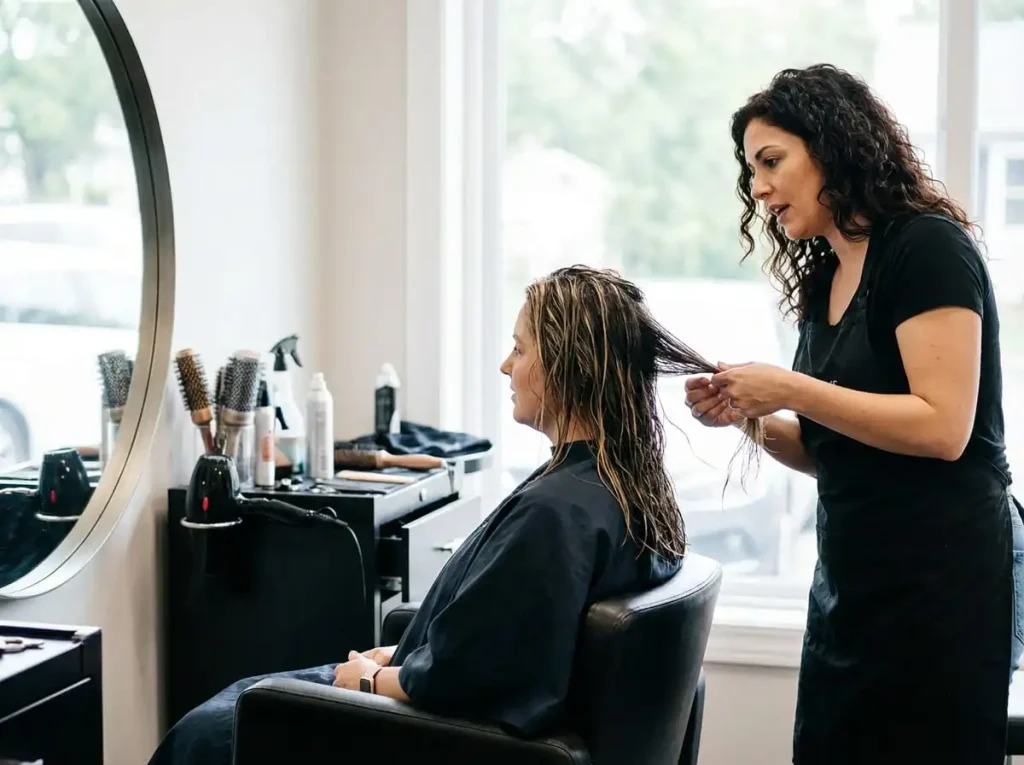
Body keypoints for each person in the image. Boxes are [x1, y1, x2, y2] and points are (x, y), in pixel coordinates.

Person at [147, 265, 741, 765]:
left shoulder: (557, 514)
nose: (507, 367)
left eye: (520, 348)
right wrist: (402, 655)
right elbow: (500, 641)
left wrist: (377, 680)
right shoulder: (626, 487)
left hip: (449, 739)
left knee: (220, 725)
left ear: (567, 366)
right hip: (444, 705)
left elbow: (478, 683)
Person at [685, 63, 1024, 763]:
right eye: (751, 170)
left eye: (772, 161)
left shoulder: (927, 248)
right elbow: (827, 446)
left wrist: (791, 389)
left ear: (833, 147)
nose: (759, 188)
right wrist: (748, 415)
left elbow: (942, 426)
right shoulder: (825, 279)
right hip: (851, 585)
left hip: (944, 588)